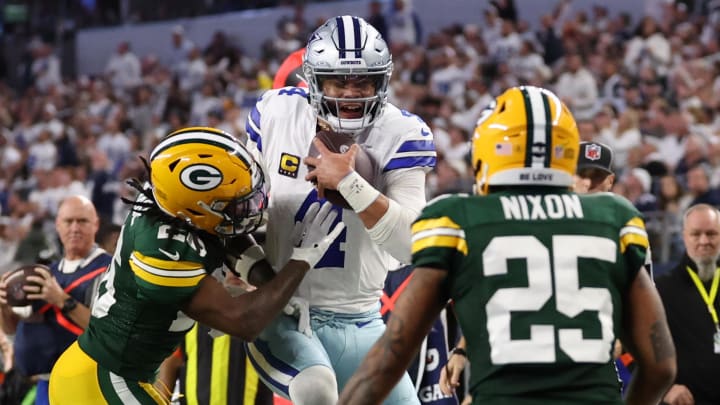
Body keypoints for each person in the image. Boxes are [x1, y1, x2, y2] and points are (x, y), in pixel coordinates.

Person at [339, 85, 677, 405]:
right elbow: (661, 366)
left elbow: (391, 356)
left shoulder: (456, 218)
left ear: (489, 148)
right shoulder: (613, 217)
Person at [47, 127, 345, 404]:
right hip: (102, 380)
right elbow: (244, 321)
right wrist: (301, 260)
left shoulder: (174, 205)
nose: (249, 210)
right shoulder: (163, 252)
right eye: (236, 204)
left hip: (121, 372)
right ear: (194, 207)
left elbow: (224, 236)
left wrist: (273, 285)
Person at [244, 15, 435, 405]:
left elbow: (414, 246)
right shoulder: (277, 114)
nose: (351, 93)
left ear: (381, 82)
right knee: (317, 392)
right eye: (338, 80)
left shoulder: (402, 133)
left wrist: (351, 185)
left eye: (363, 81)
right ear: (314, 80)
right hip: (283, 312)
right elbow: (245, 212)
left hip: (361, 319)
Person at [0, 195, 112, 405]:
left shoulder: (109, 270)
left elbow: (110, 333)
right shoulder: (45, 273)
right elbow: (12, 330)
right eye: (68, 221)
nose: (75, 228)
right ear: (57, 225)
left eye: (82, 221)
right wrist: (4, 307)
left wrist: (62, 300)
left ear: (95, 224)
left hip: (87, 382)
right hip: (44, 382)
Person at [656, 204, 720, 405]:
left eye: (711, 234)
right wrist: (664, 387)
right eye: (696, 234)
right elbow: (632, 350)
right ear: (684, 236)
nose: (704, 241)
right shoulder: (660, 289)